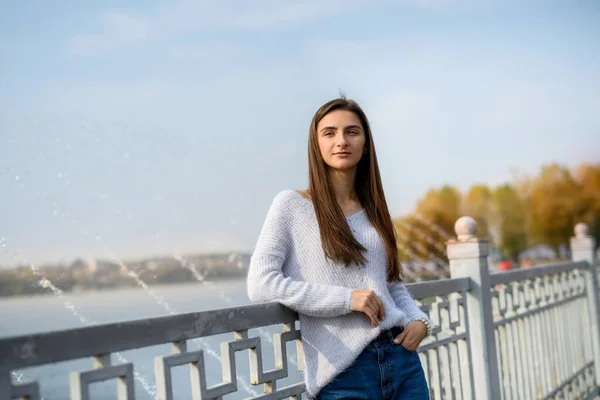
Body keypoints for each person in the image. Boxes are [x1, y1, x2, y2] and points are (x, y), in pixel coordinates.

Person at [247, 96, 431, 399]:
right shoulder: (291, 205)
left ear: (366, 144)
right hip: (345, 374)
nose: (341, 141)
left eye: (352, 132)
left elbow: (391, 284)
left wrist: (420, 320)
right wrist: (346, 299)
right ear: (316, 144)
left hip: (402, 360)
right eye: (329, 133)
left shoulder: (374, 212)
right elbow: (261, 283)